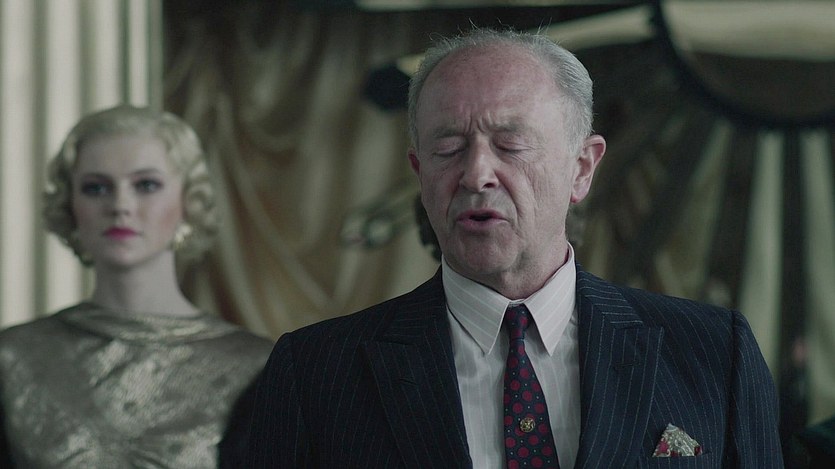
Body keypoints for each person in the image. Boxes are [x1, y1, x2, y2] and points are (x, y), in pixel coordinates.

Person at [245, 28, 783, 468]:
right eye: (448, 148)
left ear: (582, 168)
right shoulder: (315, 373)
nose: (477, 174)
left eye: (511, 145)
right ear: (419, 171)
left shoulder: (715, 353)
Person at [0, 105, 273, 468]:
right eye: (96, 188)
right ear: (70, 204)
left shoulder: (258, 366)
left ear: (188, 201)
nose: (120, 205)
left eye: (146, 185)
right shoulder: (13, 358)